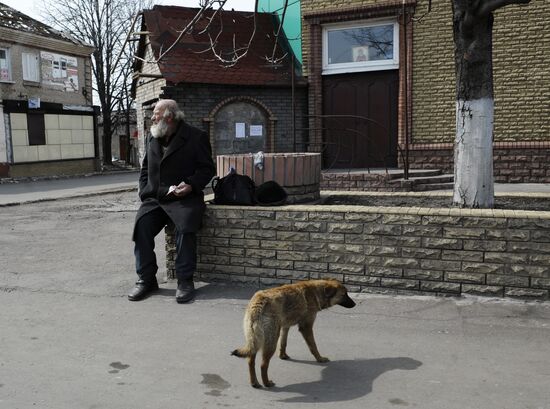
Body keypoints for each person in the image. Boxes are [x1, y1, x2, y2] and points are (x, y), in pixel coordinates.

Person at [128, 99, 216, 303]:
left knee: (185, 228)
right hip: (156, 197)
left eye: (156, 113)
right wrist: (145, 191)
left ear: (169, 116)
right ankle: (146, 279)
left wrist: (192, 185)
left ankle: (185, 280)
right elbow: (145, 169)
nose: (152, 117)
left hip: (184, 198)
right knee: (141, 226)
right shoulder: (153, 136)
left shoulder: (196, 137)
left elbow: (207, 169)